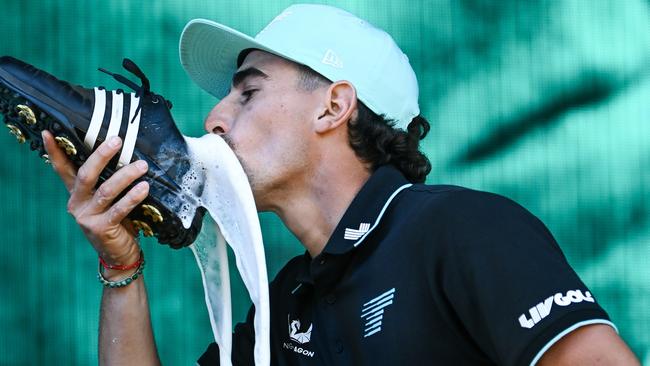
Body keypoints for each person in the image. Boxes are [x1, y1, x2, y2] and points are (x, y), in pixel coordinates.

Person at [42, 4, 639, 365]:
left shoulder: (463, 230)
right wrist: (121, 271)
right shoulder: (289, 299)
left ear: (333, 106)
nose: (214, 119)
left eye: (246, 91)